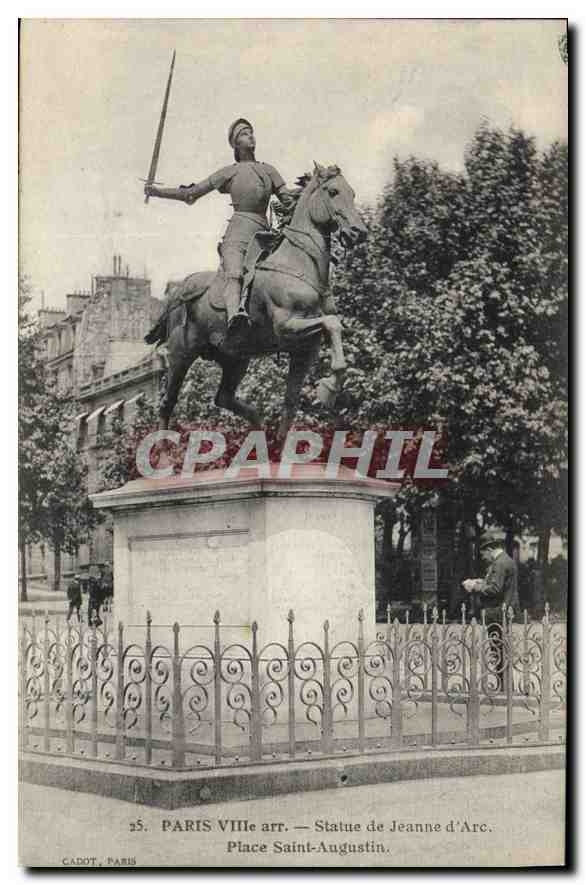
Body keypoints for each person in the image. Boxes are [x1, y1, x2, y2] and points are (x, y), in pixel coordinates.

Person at [144, 118, 298, 340]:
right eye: (245, 133)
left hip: (266, 236)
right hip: (238, 233)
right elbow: (192, 193)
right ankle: (235, 317)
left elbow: (287, 200)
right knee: (234, 272)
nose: (251, 136)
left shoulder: (269, 171)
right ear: (235, 144)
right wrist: (158, 192)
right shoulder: (229, 172)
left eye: (252, 132)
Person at [462, 529, 518, 619]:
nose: (483, 559)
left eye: (483, 555)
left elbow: (495, 589)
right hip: (505, 610)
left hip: (497, 612)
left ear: (489, 549)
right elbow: (500, 582)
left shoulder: (499, 563)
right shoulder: (505, 559)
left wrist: (474, 586)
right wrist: (479, 581)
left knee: (495, 633)